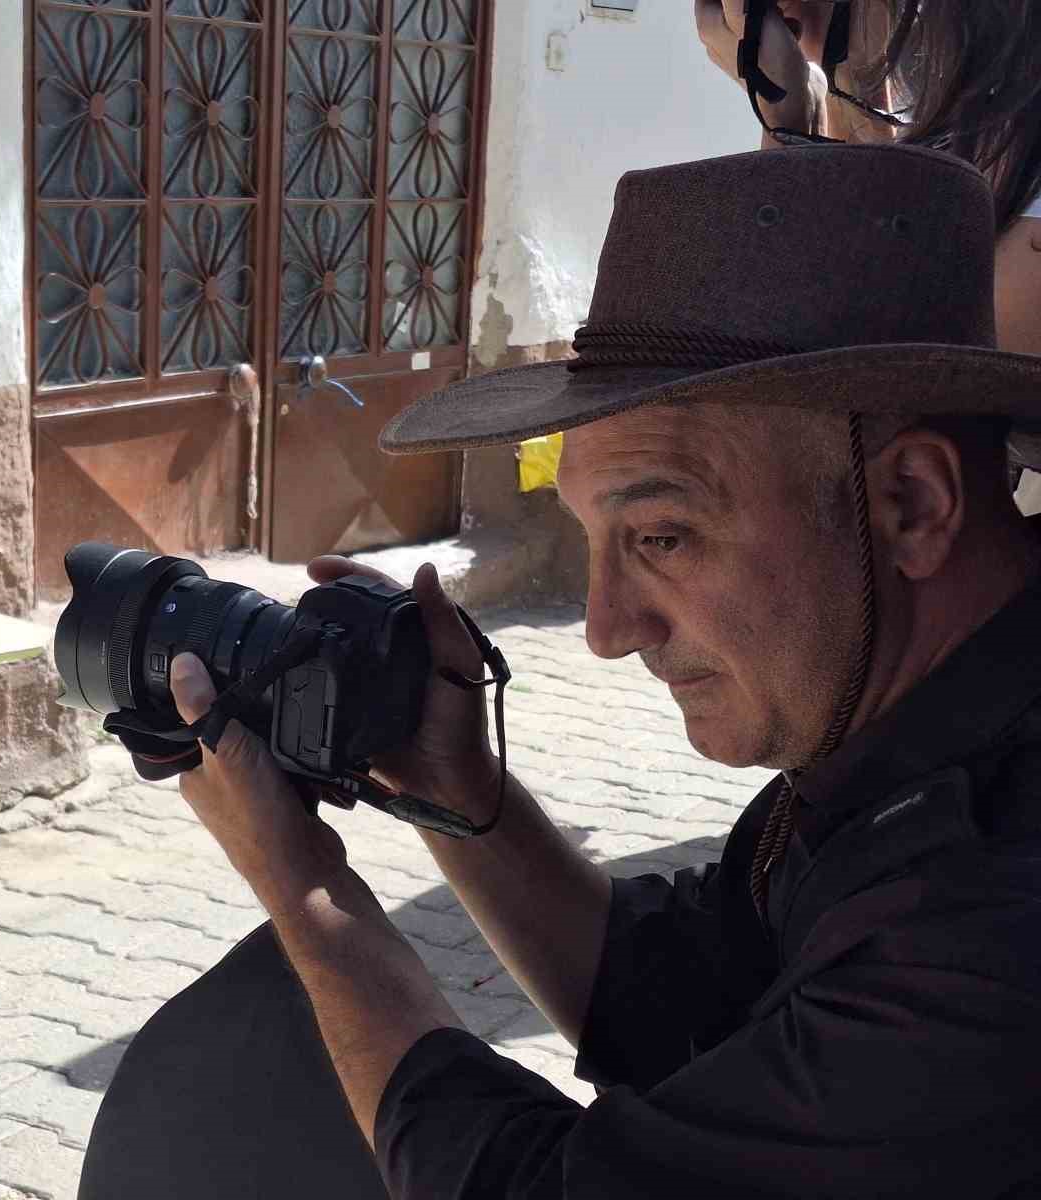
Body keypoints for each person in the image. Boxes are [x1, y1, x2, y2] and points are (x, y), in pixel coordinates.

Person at [77, 143, 1041, 1198]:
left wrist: (301, 884)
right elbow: (674, 997)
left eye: (662, 537)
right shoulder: (906, 742)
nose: (604, 629)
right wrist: (455, 795)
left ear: (911, 503)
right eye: (589, 542)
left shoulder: (990, 916)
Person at [695, 0, 1041, 510]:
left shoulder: (1020, 222)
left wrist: (797, 118)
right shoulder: (988, 139)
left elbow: (821, 387)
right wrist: (817, 101)